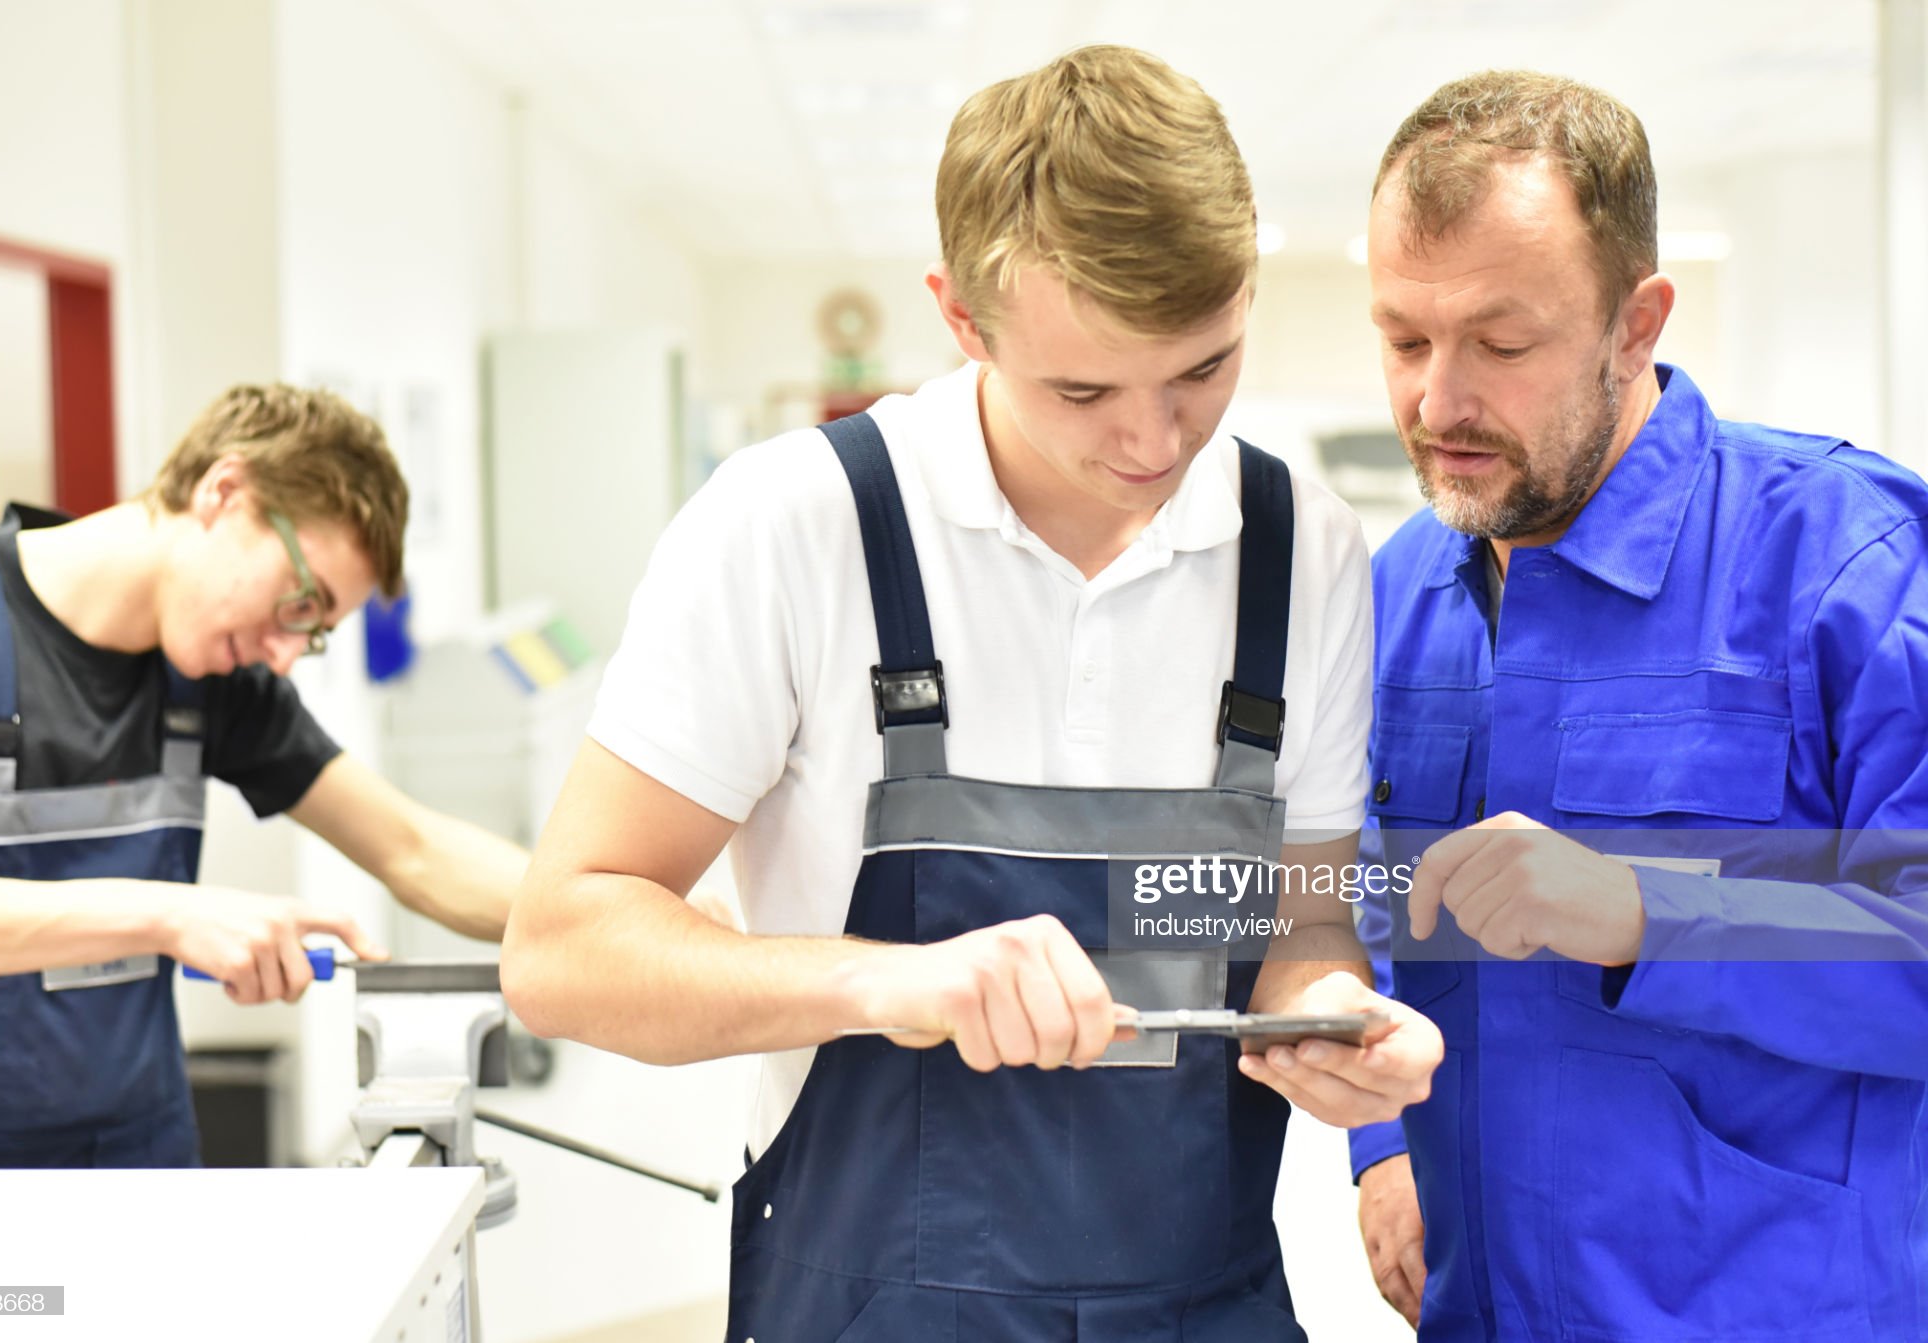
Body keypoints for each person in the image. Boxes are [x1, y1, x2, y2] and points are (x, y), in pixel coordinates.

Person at [503, 45, 1442, 1343]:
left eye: (1203, 371)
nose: (1154, 443)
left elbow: (1305, 928)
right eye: (1083, 388)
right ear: (961, 318)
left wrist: (1328, 1026)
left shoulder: (1307, 549)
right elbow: (562, 950)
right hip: (868, 1303)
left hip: (1202, 1301)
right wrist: (891, 981)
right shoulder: (798, 524)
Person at [1347, 70, 1928, 1341]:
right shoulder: (1395, 594)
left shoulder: (1847, 561)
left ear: (1634, 323)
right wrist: (1379, 1141)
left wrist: (1642, 913)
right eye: (1403, 339)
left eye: (1500, 346)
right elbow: (1367, 907)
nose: (1436, 404)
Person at [0, 384, 530, 1168]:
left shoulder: (217, 682)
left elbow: (415, 849)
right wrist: (168, 914)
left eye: (315, 633)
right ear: (225, 491)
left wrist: (617, 907)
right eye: (302, 603)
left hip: (146, 1168)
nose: (288, 654)